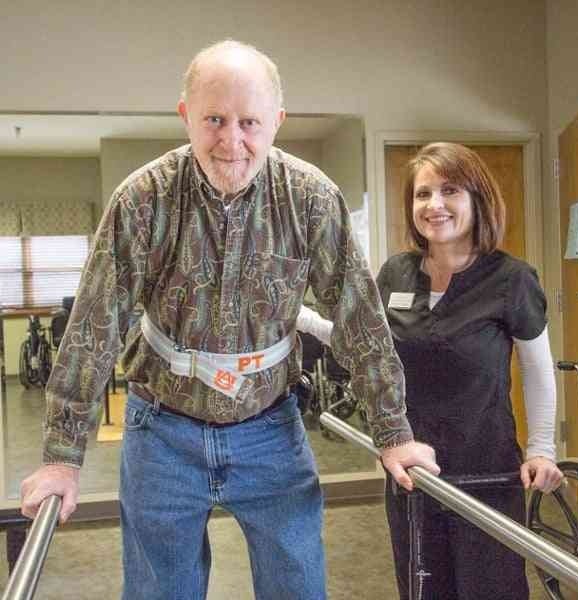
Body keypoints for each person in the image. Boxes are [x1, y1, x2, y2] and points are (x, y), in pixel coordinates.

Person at [20, 40, 438, 600]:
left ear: (278, 122)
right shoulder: (142, 199)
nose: (232, 141)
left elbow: (358, 316)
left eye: (250, 122)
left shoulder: (312, 198)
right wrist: (61, 456)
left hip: (270, 426)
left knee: (298, 584)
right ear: (185, 115)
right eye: (214, 119)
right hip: (161, 432)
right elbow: (95, 327)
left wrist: (393, 431)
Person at [376, 142, 563, 599]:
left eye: (450, 190)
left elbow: (538, 371)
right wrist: (292, 319)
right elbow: (365, 347)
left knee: (490, 588)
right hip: (411, 471)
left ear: (477, 200)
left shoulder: (511, 279)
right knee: (423, 588)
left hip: (487, 470)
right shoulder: (395, 274)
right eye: (423, 194)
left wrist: (542, 449)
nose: (434, 205)